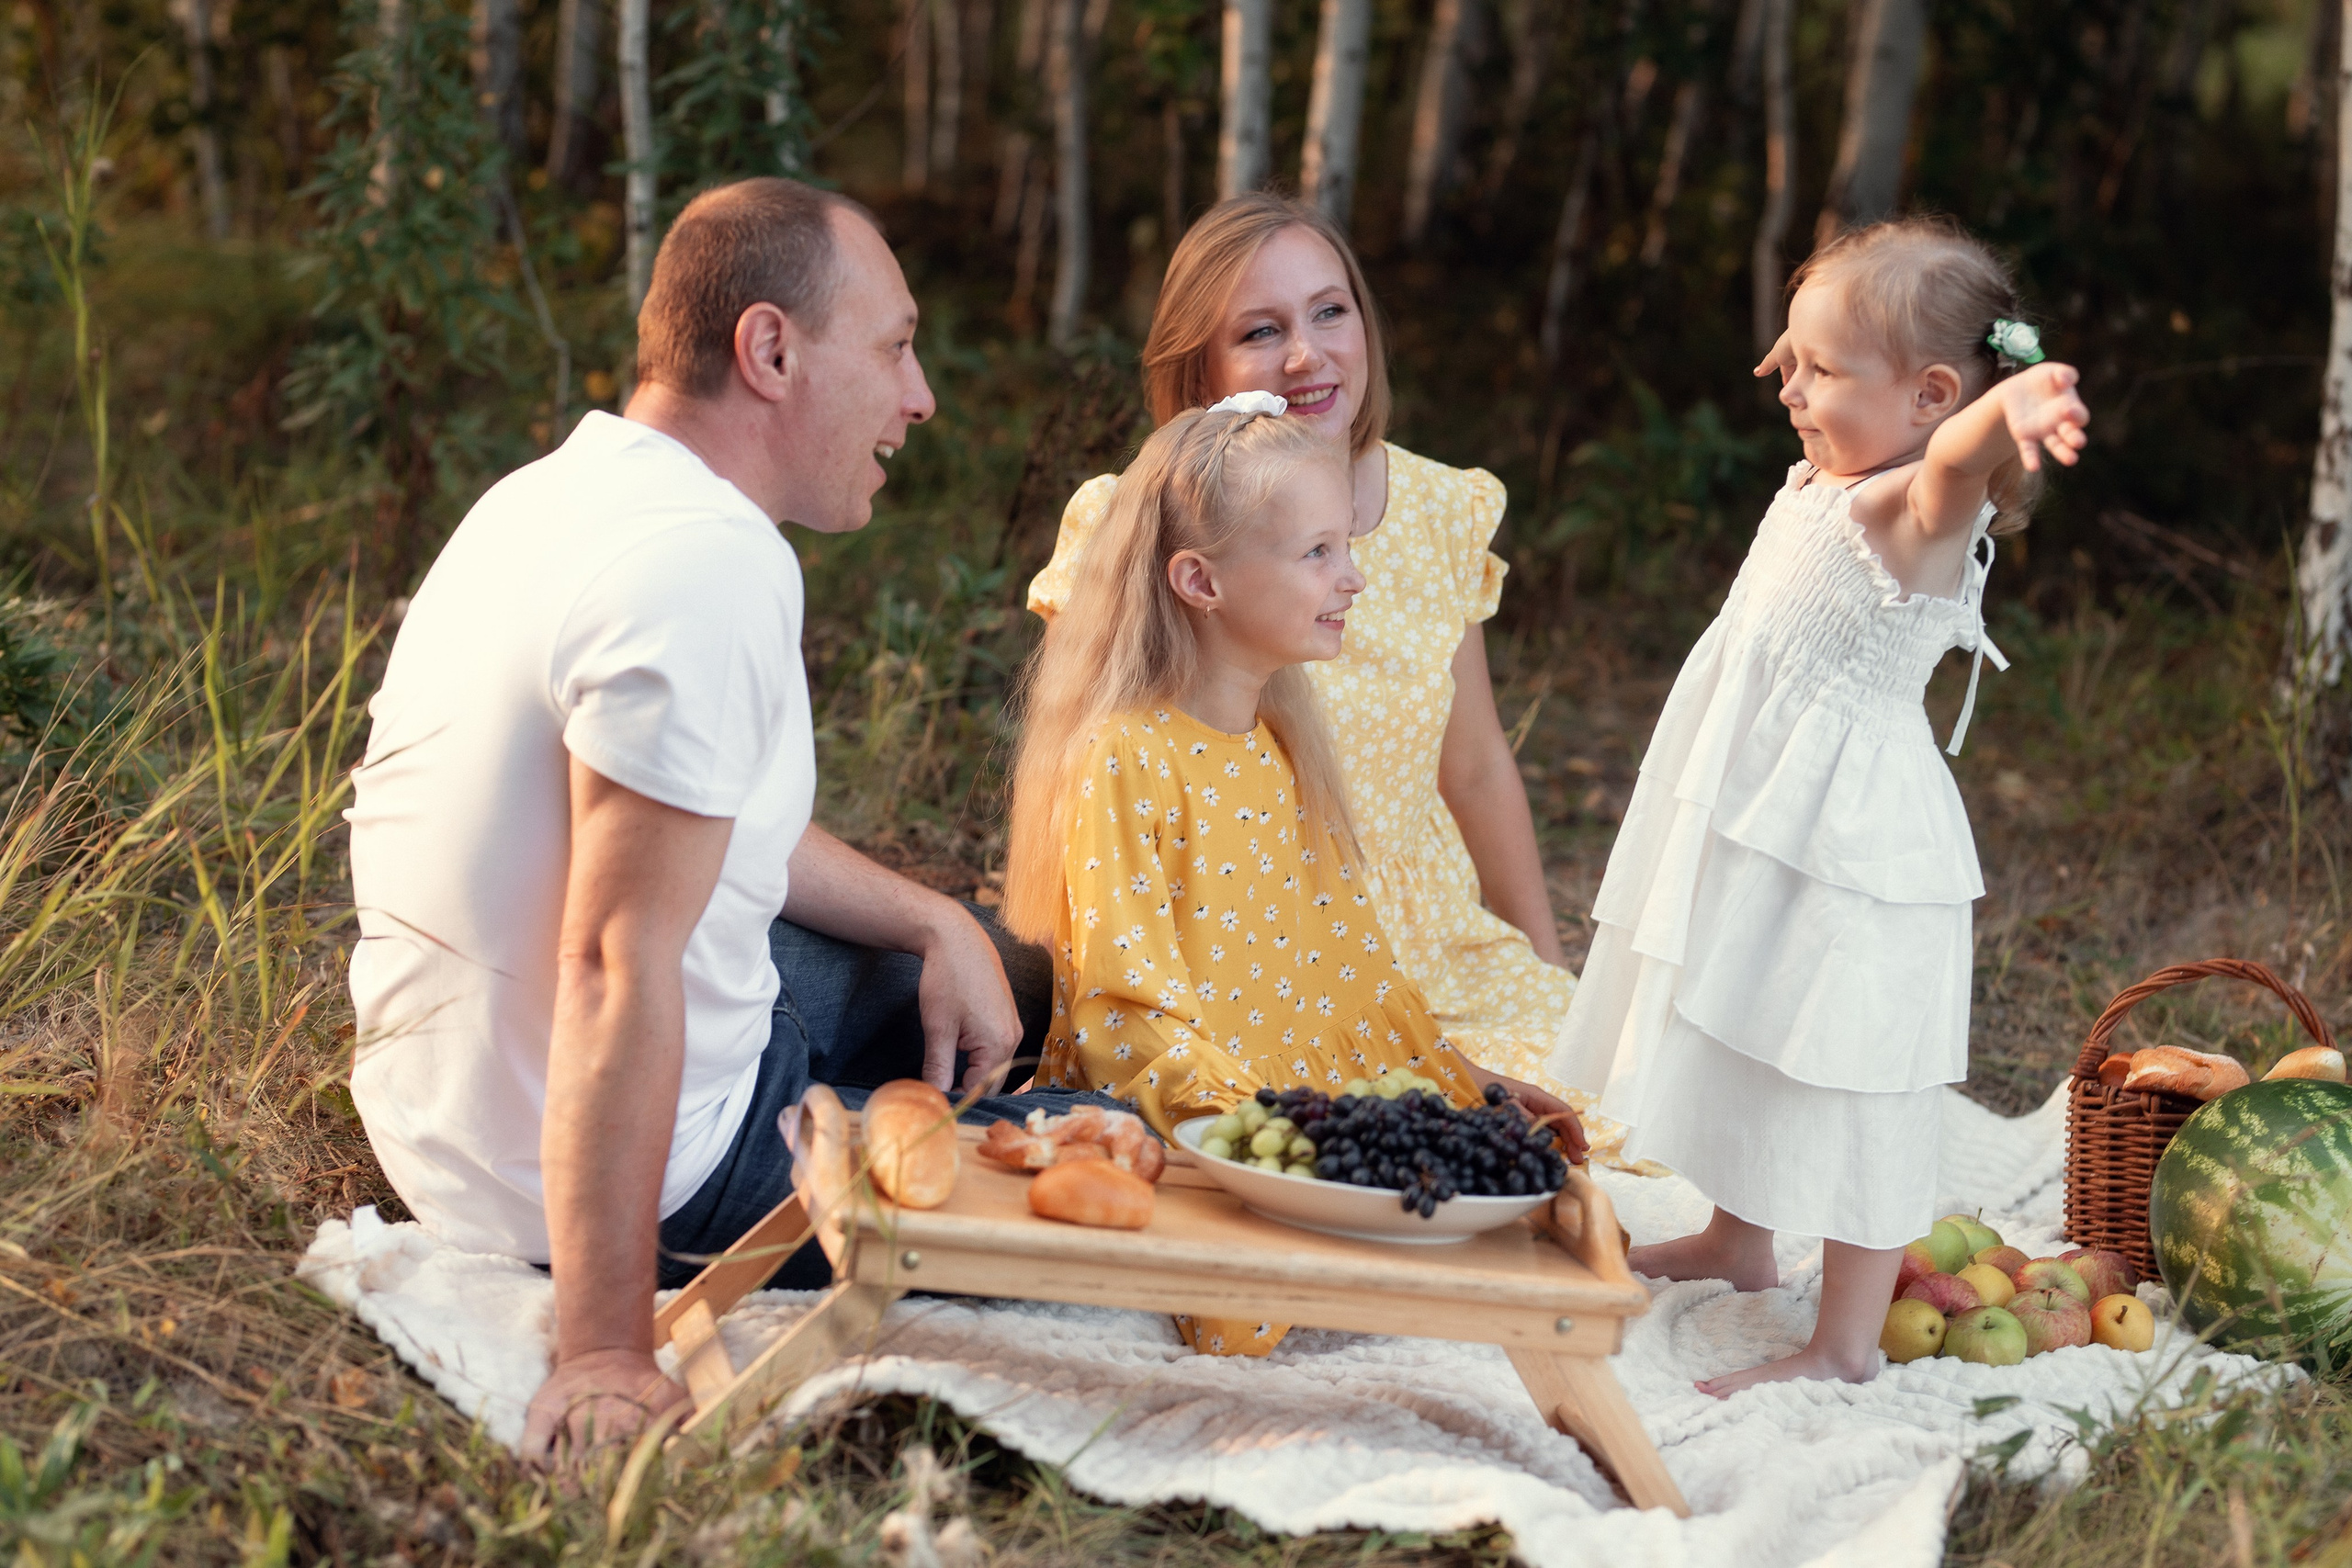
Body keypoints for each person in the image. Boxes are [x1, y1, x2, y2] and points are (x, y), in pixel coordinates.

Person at [344, 177, 1119, 1460]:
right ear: (770, 349)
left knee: (1015, 979)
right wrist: (601, 1346)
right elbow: (615, 954)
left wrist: (936, 921)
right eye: (894, 345)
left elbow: (698, 825)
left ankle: (888, 1075)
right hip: (602, 1176)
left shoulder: (557, 494)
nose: (921, 396)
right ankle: (856, 1127)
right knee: (1127, 1154)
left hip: (446, 1113)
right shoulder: (708, 566)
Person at [1549, 218, 2091, 1395]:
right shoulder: (1833, 472)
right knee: (1747, 1007)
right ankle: (1738, 1239)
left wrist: (2023, 400)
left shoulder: (1915, 505)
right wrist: (1822, 348)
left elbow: (1956, 456)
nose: (1789, 387)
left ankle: (1842, 1342)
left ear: (1932, 396)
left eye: (1819, 371)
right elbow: (1868, 405)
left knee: (1845, 1067)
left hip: (1852, 850)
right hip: (1765, 819)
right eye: (1787, 360)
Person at [1023, 194, 1636, 1161]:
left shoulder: (1439, 507)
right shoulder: (1134, 523)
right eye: (1261, 332)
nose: (1307, 355)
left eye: (1330, 312)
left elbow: (1472, 766)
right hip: (1231, 946)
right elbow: (1089, 812)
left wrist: (1546, 969)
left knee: (1600, 1106)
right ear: (1203, 369)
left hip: (1408, 951)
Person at [1003, 393, 1586, 1358]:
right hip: (1192, 1121)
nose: (1352, 578)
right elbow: (1126, 1016)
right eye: (1317, 553)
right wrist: (1276, 1146)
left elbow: (1346, 978)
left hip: (1285, 1110)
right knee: (1260, 1314)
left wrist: (1464, 1089)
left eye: (1345, 548)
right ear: (1200, 580)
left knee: (1518, 1205)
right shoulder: (1126, 756)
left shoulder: (1278, 748)